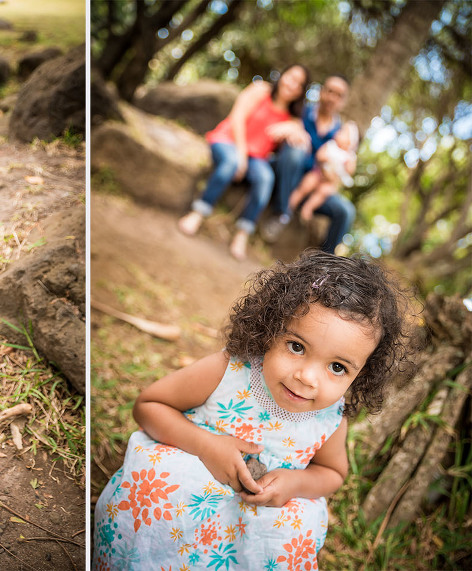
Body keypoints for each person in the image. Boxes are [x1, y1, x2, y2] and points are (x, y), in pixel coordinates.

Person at [93, 251, 411, 570]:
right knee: (164, 479)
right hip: (183, 500)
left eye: (338, 367)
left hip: (249, 533)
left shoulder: (329, 419)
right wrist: (206, 446)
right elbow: (149, 406)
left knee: (298, 524)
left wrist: (294, 483)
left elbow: (332, 473)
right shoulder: (231, 371)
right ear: (270, 328)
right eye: (296, 346)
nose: (307, 377)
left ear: (363, 374)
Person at [178, 64, 310, 261]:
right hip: (228, 142)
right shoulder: (260, 90)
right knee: (230, 164)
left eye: (299, 84)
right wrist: (240, 153)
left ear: (301, 92)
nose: (292, 85)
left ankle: (243, 233)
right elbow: (237, 116)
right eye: (291, 77)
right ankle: (198, 213)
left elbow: (305, 145)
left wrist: (292, 129)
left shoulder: (292, 119)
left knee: (266, 179)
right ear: (282, 76)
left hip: (256, 158)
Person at [262, 75, 356, 253]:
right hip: (288, 175)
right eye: (329, 91)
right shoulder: (301, 112)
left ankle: (324, 264)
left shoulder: (343, 133)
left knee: (346, 211)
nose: (332, 98)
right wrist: (293, 130)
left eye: (339, 95)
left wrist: (331, 177)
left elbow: (343, 170)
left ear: (343, 101)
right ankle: (282, 213)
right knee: (295, 151)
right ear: (321, 92)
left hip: (315, 190)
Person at [288, 120, 359, 222]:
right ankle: (291, 203)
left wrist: (349, 163)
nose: (338, 133)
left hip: (329, 182)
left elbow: (350, 171)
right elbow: (319, 156)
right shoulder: (331, 146)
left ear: (350, 142)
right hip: (318, 173)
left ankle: (308, 208)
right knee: (307, 184)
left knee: (324, 192)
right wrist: (326, 159)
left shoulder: (349, 156)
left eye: (343, 133)